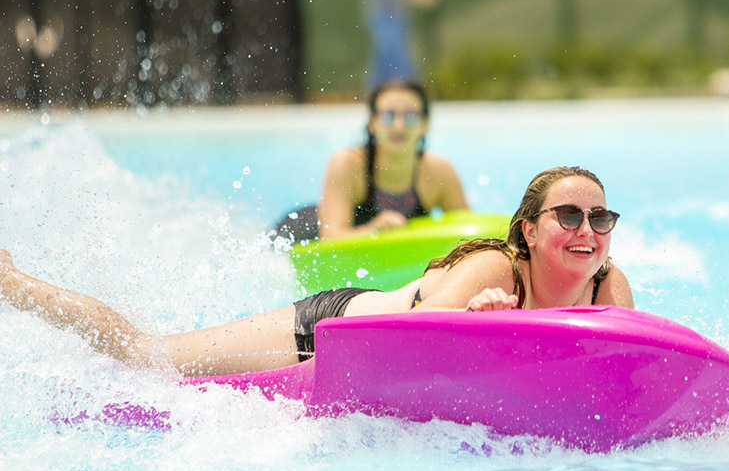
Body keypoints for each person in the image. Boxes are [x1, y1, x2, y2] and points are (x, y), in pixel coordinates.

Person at [1, 166, 634, 378]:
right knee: (150, 357)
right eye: (568, 215)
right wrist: (477, 324)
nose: (587, 230)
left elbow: (621, 370)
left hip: (362, 346)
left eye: (599, 218)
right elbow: (406, 347)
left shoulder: (608, 287)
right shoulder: (495, 270)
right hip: (327, 330)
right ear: (529, 230)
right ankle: (13, 283)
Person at [273, 79, 467, 242]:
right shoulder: (348, 164)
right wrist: (374, 230)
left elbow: (468, 237)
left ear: (425, 124)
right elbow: (331, 237)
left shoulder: (440, 173)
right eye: (388, 116)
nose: (398, 126)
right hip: (302, 233)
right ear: (372, 123)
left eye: (410, 116)